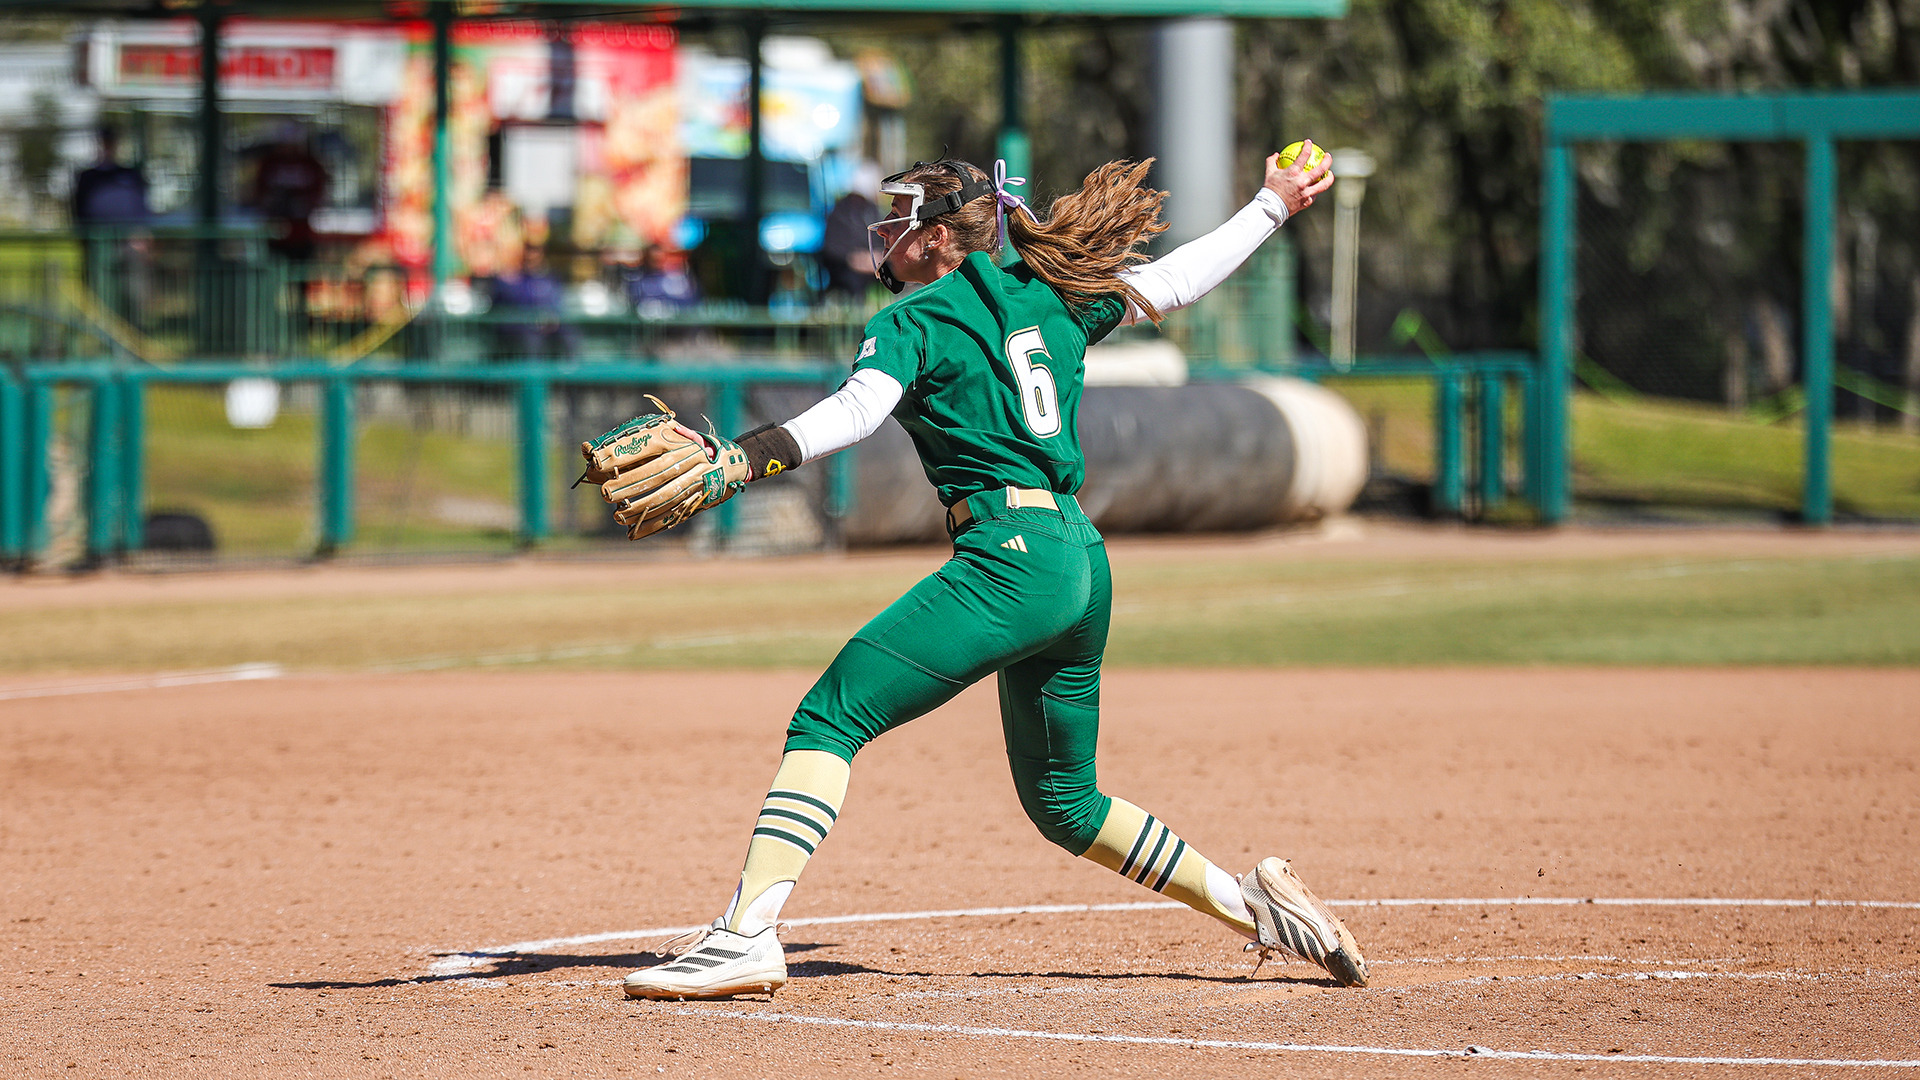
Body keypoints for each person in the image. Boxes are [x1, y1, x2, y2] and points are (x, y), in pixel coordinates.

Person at [621, 144, 1356, 1001]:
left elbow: (856, 415)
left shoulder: (914, 321)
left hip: (1010, 556)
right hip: (1078, 555)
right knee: (1064, 804)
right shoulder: (1050, 295)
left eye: (899, 218)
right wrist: (1271, 205)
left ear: (937, 237)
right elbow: (1176, 281)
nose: (884, 233)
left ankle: (745, 936)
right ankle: (1256, 908)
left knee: (830, 717)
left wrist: (745, 460)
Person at [818, 161, 882, 299]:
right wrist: (854, 259)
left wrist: (876, 258)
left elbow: (880, 239)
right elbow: (832, 249)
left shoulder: (871, 210)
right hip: (845, 275)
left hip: (872, 273)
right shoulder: (840, 212)